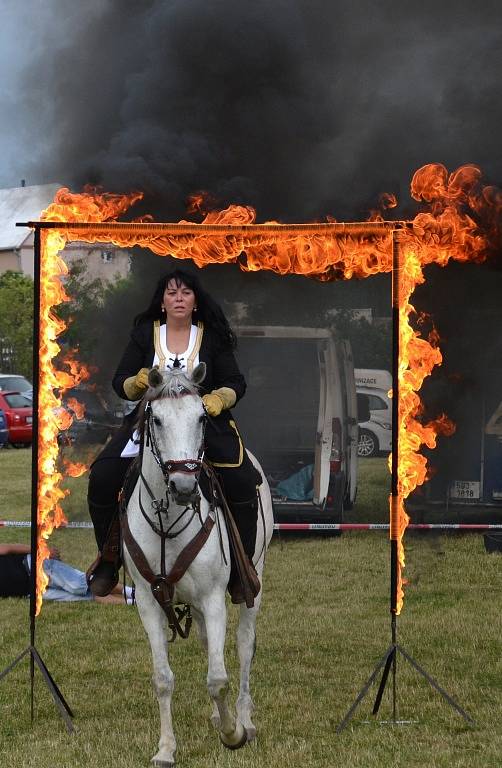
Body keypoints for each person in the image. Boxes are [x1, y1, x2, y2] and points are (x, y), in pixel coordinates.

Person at [87, 268, 261, 604]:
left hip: (203, 422)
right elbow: (119, 381)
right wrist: (138, 382)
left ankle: (241, 569)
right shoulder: (144, 333)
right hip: (152, 424)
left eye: (185, 293)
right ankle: (109, 560)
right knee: (103, 475)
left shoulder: (210, 336)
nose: (178, 298)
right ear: (162, 301)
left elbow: (236, 381)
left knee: (240, 479)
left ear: (195, 300)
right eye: (171, 293)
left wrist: (217, 399)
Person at [0, 543, 133, 604]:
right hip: (32, 592)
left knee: (81, 584)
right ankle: (133, 602)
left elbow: (9, 548)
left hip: (34, 567)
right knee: (88, 596)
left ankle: (132, 592)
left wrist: (42, 551)